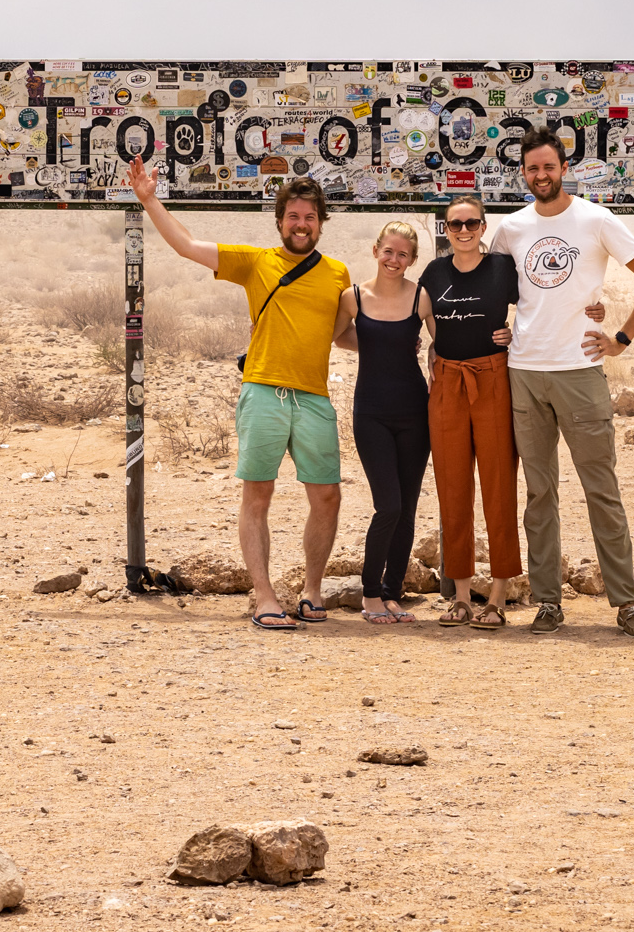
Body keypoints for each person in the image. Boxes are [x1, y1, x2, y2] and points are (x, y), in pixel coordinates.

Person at [129, 155, 351, 631]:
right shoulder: (256, 262)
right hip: (264, 391)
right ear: (279, 221)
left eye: (310, 216)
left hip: (313, 396)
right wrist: (150, 200)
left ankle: (312, 592)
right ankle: (265, 595)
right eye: (293, 215)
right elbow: (187, 246)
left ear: (321, 223)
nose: (301, 223)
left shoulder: (337, 272)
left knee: (327, 496)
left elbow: (341, 334)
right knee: (258, 495)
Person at [490, 128, 634, 636]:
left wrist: (621, 337)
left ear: (562, 168)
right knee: (539, 494)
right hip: (524, 373)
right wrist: (496, 330)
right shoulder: (512, 228)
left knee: (601, 490)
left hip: (580, 372)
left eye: (548, 167)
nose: (540, 176)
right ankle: (548, 601)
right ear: (523, 174)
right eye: (532, 169)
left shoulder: (595, 219)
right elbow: (491, 287)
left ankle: (626, 602)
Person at [416, 196, 523, 628]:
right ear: (445, 230)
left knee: (499, 484)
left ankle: (496, 597)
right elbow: (415, 313)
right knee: (452, 486)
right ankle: (460, 596)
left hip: (493, 379)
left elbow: (539, 306)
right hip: (448, 384)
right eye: (454, 225)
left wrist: (516, 333)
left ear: (483, 226)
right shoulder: (434, 272)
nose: (463, 231)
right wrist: (433, 349)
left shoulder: (502, 269)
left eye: (471, 223)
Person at [332, 221, 435, 625]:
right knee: (387, 506)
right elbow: (339, 337)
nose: (394, 260)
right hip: (371, 413)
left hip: (415, 412)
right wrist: (378, 343)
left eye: (403, 255)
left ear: (412, 260)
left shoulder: (422, 298)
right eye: (388, 252)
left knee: (407, 509)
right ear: (376, 250)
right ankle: (370, 594)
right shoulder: (352, 297)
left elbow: (439, 345)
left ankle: (393, 594)